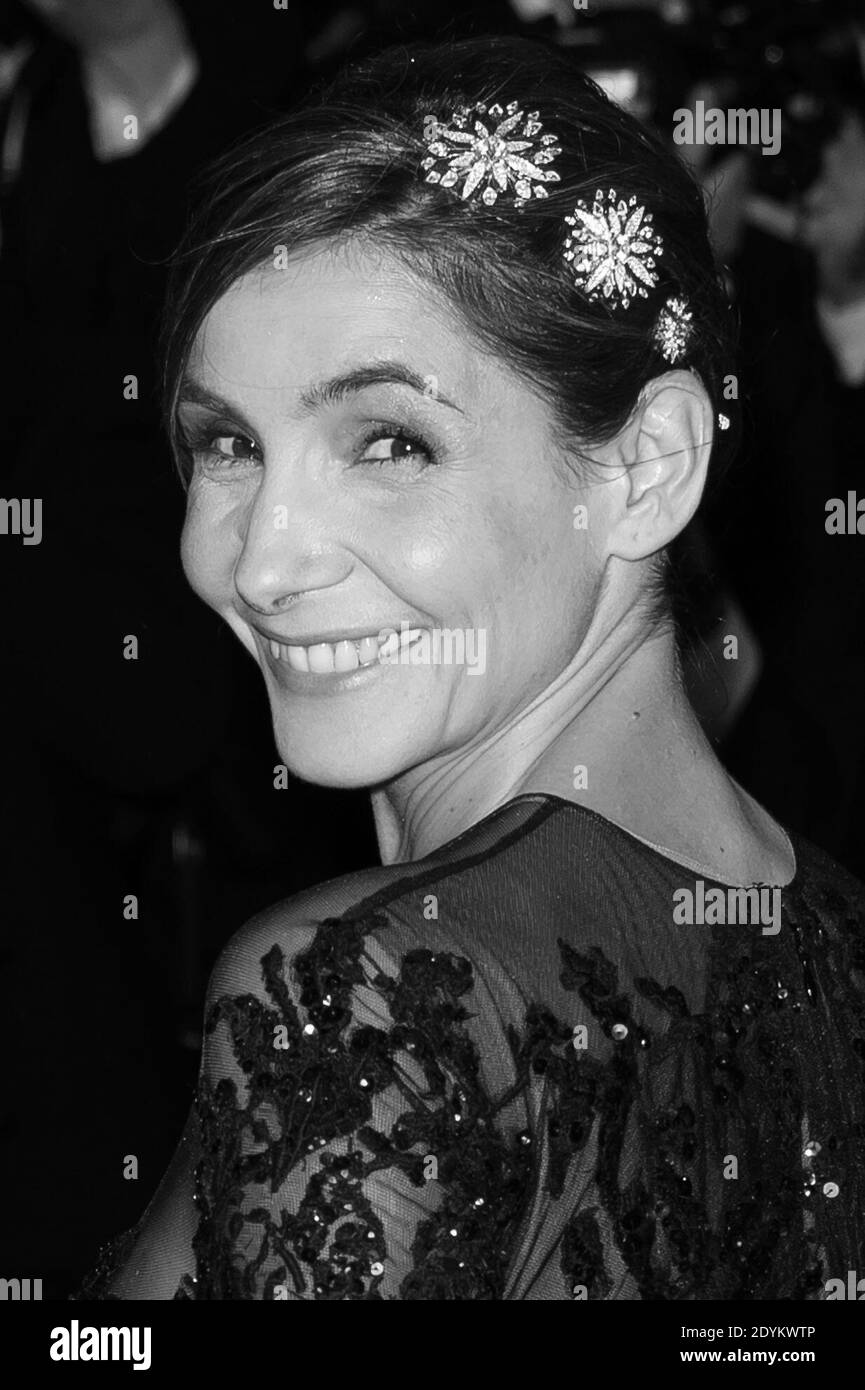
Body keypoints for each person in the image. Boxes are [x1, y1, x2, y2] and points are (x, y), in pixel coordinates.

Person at [75, 36, 865, 1301]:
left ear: (642, 467)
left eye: (386, 441)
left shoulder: (370, 994)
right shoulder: (825, 926)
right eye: (227, 443)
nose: (261, 561)